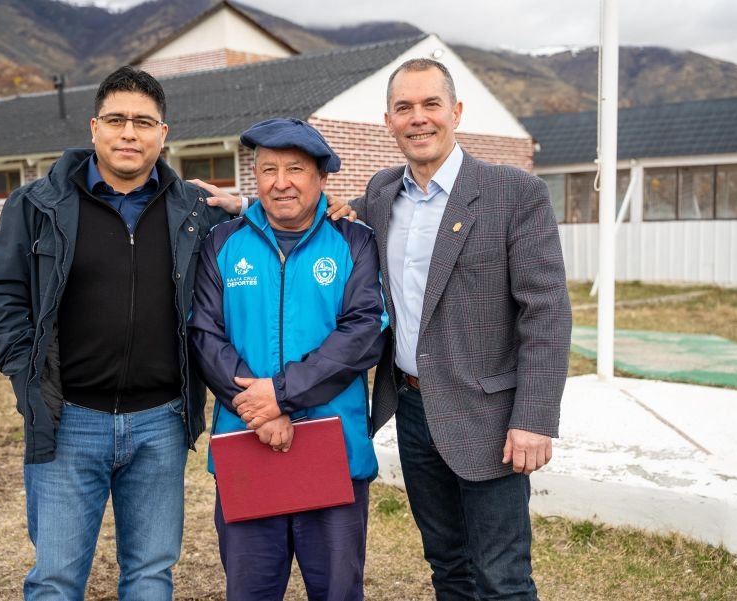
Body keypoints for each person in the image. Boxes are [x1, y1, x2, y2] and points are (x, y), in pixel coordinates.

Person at [199, 59, 572, 600]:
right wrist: (248, 209)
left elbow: (547, 311)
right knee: (447, 564)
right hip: (415, 410)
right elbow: (295, 214)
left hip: (486, 413)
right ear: (388, 121)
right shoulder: (381, 194)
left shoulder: (515, 193)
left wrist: (534, 417)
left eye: (430, 105)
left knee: (502, 576)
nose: (417, 119)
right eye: (404, 108)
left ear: (456, 112)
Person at [0, 66, 236, 601]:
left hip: (161, 423)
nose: (129, 133)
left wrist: (249, 205)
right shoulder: (39, 205)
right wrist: (29, 373)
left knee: (150, 576)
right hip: (69, 422)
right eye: (116, 120)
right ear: (94, 128)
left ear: (164, 133)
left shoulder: (193, 212)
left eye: (144, 122)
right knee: (56, 578)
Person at [187, 118, 388, 601]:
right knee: (250, 590)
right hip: (246, 445)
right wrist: (256, 409)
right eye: (267, 169)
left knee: (338, 590)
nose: (281, 182)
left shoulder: (354, 242)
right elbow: (204, 332)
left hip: (332, 450)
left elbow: (364, 332)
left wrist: (279, 396)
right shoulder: (222, 243)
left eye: (295, 169)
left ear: (322, 178)